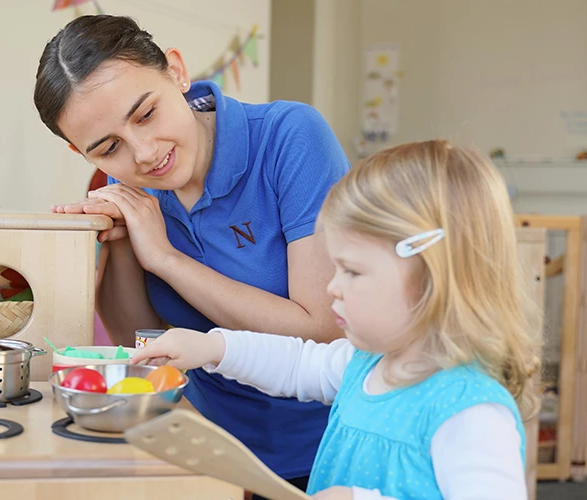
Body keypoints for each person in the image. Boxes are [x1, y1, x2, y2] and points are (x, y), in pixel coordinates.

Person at [33, 14, 351, 494]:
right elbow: (145, 342)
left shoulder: (291, 137)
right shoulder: (129, 181)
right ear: (85, 155)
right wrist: (116, 243)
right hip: (201, 446)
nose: (142, 153)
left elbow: (323, 332)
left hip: (323, 451)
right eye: (108, 147)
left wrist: (165, 259)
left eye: (146, 114)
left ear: (177, 72)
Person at [132, 140, 542, 500]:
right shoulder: (366, 362)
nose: (332, 287)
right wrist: (212, 347)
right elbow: (295, 363)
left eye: (353, 271)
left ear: (434, 278)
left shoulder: (470, 412)